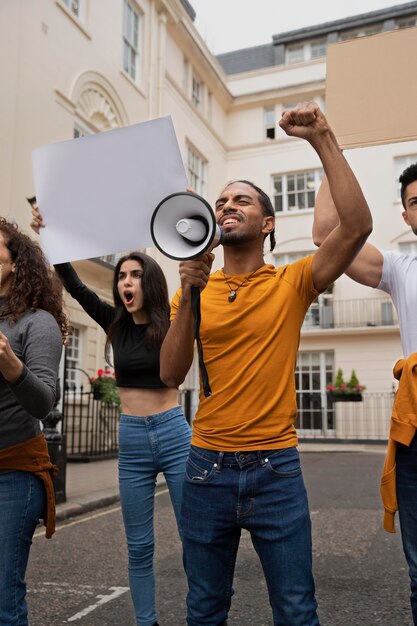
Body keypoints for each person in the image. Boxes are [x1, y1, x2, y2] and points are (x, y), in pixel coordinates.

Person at [159, 101, 373, 626]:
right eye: (221, 201)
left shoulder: (291, 282)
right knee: (204, 608)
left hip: (275, 468)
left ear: (268, 222)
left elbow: (357, 227)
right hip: (205, 467)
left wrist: (322, 138)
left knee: (297, 610)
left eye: (243, 200)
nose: (228, 205)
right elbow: (169, 373)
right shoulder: (191, 290)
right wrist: (189, 293)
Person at [31, 207, 191, 626]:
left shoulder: (174, 322)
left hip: (175, 435)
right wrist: (51, 234)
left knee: (197, 537)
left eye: (135, 275)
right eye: (122, 276)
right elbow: (72, 281)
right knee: (138, 546)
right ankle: (147, 621)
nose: (126, 282)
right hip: (133, 439)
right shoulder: (114, 323)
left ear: (150, 282)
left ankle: (205, 615)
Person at [313, 162, 417, 625]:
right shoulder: (399, 267)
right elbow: (325, 236)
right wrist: (326, 152)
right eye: (416, 202)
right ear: (407, 216)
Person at [0, 217, 68, 626]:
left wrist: (11, 366)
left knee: (4, 596)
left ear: (14, 263)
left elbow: (44, 401)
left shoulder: (36, 322)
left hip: (13, 471)